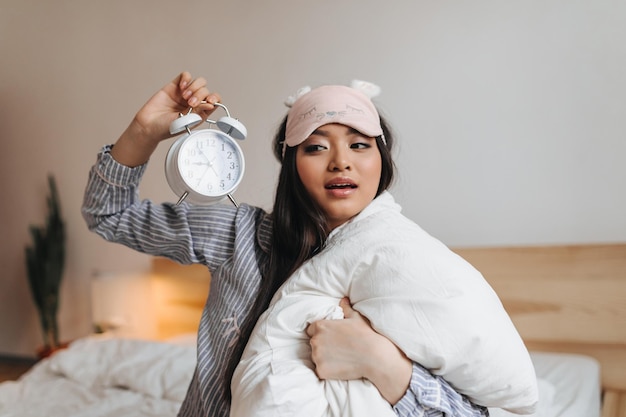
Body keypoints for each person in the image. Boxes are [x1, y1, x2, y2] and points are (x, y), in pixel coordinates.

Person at [81, 71, 515, 417]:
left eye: (359, 145)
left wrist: (383, 364)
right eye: (316, 147)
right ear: (292, 166)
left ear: (382, 162)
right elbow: (108, 215)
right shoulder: (239, 236)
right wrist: (144, 130)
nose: (340, 160)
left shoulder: (405, 267)